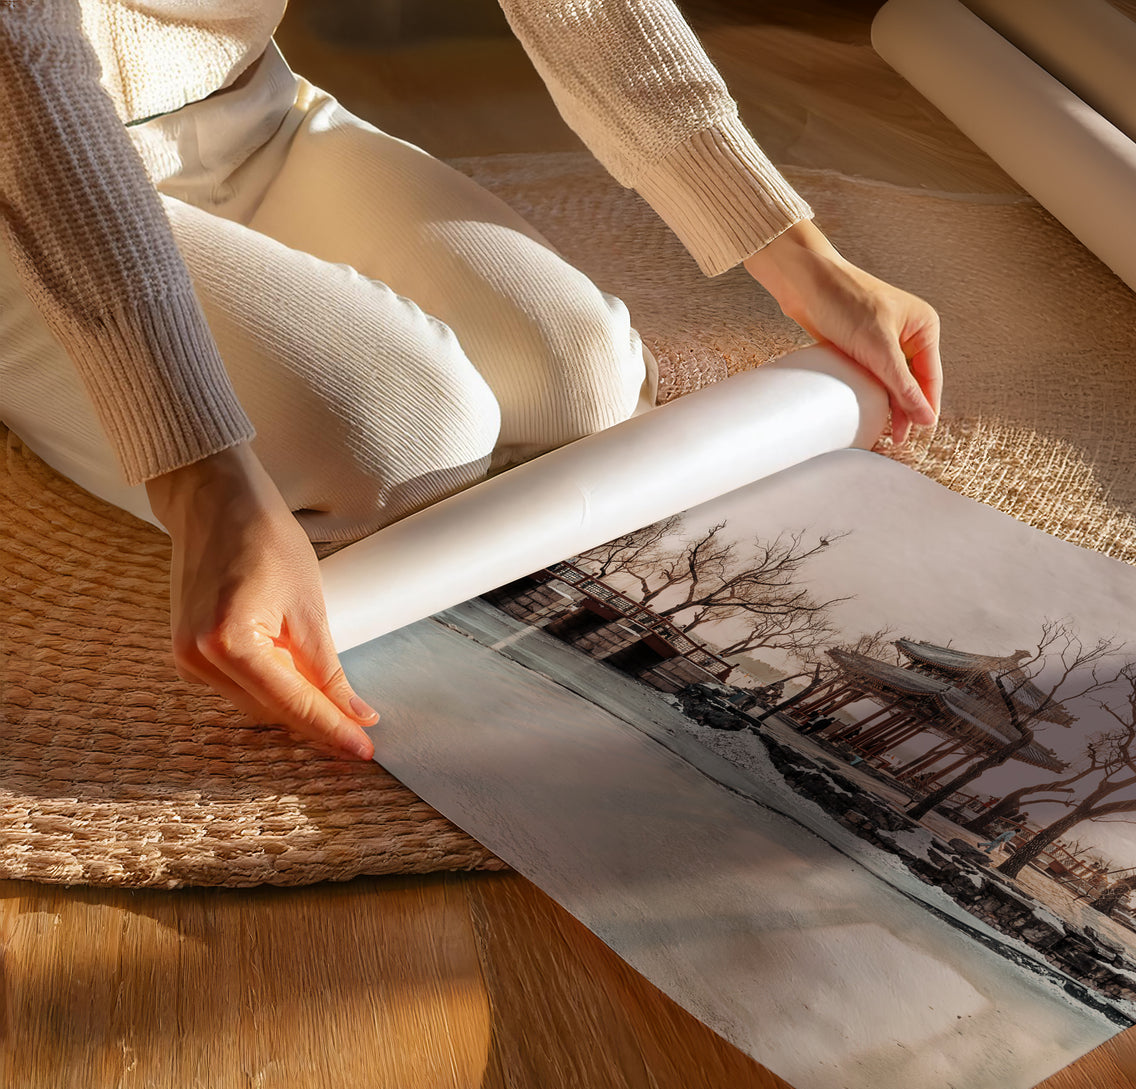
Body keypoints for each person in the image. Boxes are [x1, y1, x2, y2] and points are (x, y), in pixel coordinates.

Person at [0, 1, 942, 761]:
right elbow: (24, 75)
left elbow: (585, 13)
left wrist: (804, 261)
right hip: (21, 178)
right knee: (411, 441)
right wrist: (201, 476)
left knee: (584, 383)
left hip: (249, 115)